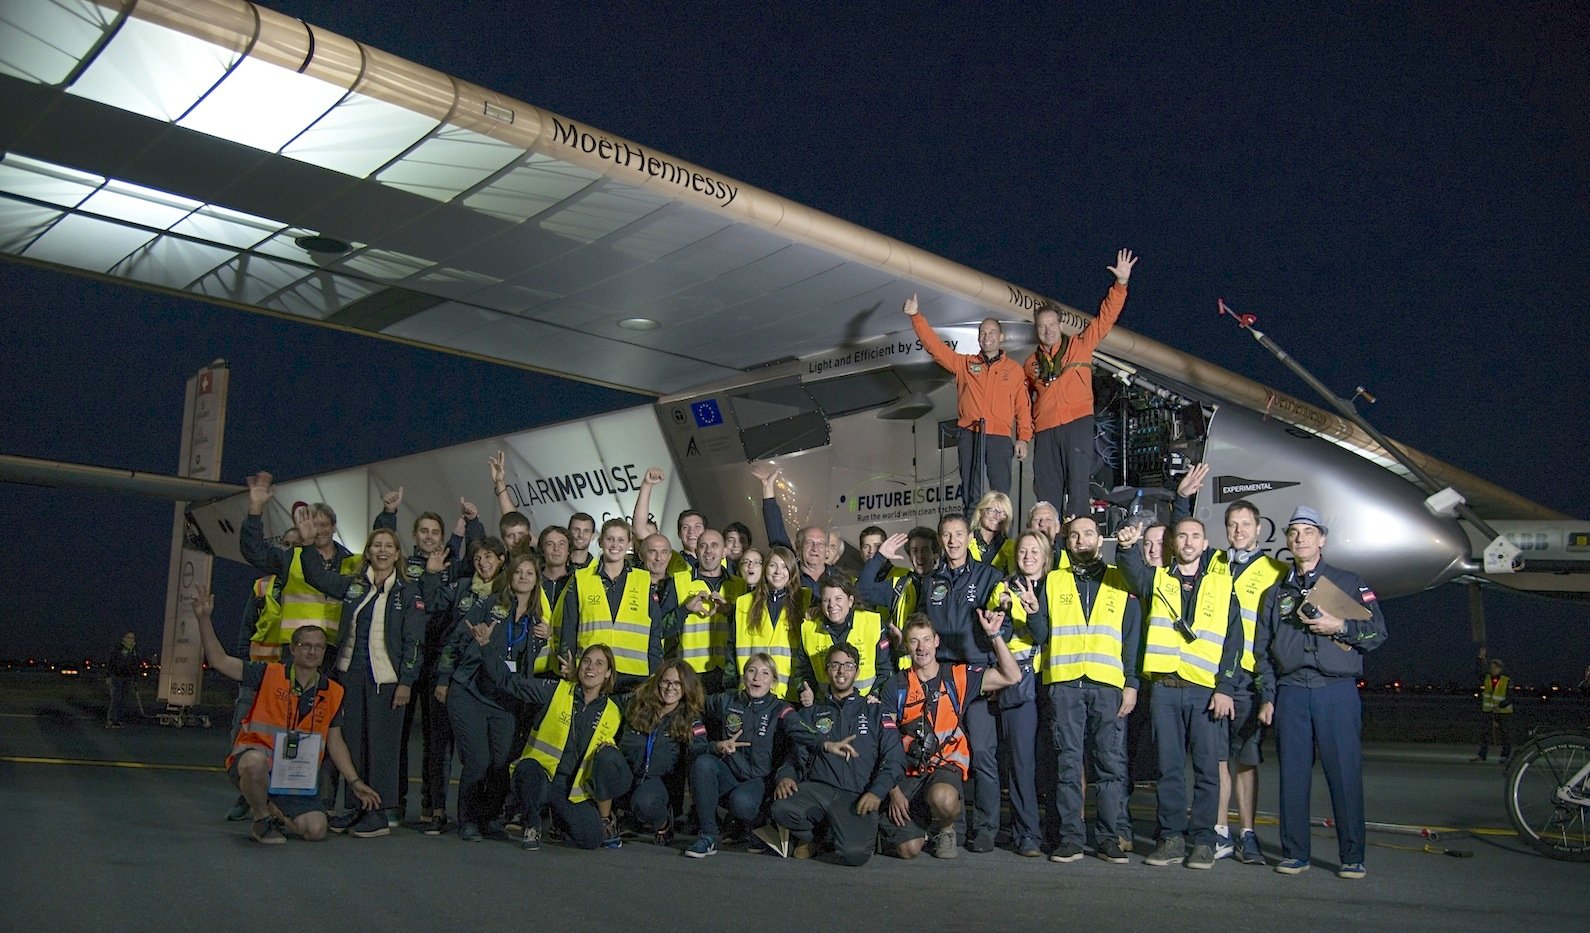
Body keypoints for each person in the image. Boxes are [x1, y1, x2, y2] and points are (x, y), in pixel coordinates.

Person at [1255, 506, 1388, 879]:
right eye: (1294, 532)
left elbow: (1377, 634)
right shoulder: (1276, 592)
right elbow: (1262, 649)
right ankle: (1296, 852)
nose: (1300, 538)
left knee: (1344, 774)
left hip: (1336, 691)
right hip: (1292, 691)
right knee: (1292, 777)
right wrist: (1268, 694)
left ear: (1322, 539)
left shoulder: (1348, 583)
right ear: (1287, 540)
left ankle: (1352, 855)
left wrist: (1339, 626)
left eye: (1308, 532)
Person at [1166, 464, 1289, 864]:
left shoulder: (1275, 571)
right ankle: (1218, 831)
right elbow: (1180, 540)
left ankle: (1248, 833)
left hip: (1250, 679)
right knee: (1214, 757)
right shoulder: (1213, 562)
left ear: (1258, 529)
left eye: (1245, 524)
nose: (1238, 531)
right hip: (1213, 676)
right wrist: (1181, 497)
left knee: (1246, 758)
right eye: (1232, 524)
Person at [863, 514, 1008, 852]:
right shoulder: (931, 581)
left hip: (972, 676)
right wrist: (881, 556)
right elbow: (875, 593)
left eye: (958, 534)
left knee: (983, 755)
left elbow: (1004, 609)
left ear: (968, 537)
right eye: (947, 535)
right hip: (934, 679)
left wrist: (1004, 613)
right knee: (929, 752)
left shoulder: (987, 575)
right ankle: (944, 825)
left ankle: (984, 830)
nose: (953, 541)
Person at [194, 587, 381, 845]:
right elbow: (219, 660)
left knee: (316, 830)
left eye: (319, 647)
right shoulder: (268, 674)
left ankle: (274, 810)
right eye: (305, 646)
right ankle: (261, 818)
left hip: (294, 776)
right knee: (254, 763)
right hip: (257, 763)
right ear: (292, 649)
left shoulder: (332, 692)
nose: (312, 652)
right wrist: (204, 619)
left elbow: (335, 742)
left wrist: (355, 781)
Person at [1117, 516, 1245, 870]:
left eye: (1196, 537)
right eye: (1182, 536)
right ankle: (1171, 838)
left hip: (1205, 691)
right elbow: (1131, 572)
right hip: (1165, 690)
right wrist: (1127, 546)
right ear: (1173, 543)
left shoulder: (1222, 584)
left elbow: (1234, 640)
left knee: (1206, 769)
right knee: (1168, 769)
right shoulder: (1157, 578)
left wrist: (1226, 688)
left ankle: (1203, 841)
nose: (1188, 542)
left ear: (1206, 544)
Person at [1017, 517, 1142, 864]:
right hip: (1066, 683)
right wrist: (1032, 613)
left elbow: (1131, 638)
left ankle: (1108, 837)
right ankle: (1071, 838)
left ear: (1099, 540)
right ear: (1067, 543)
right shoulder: (1053, 580)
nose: (1081, 539)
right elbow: (1042, 634)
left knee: (1110, 764)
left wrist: (1131, 683)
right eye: (1074, 535)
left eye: (1088, 533)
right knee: (1067, 764)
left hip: (1107, 684)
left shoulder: (1121, 578)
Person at [299, 525, 428, 838]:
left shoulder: (408, 592)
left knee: (382, 748)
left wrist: (407, 681)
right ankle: (357, 808)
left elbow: (414, 640)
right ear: (368, 552)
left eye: (388, 546)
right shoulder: (356, 586)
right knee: (352, 743)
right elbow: (317, 576)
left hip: (387, 681)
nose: (382, 551)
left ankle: (380, 815)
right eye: (376, 545)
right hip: (349, 675)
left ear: (397, 554)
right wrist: (306, 544)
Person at [879, 613, 1021, 859]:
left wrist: (995, 636)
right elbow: (886, 741)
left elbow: (1012, 676)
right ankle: (921, 829)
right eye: (914, 641)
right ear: (906, 646)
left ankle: (946, 828)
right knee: (907, 850)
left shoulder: (957, 676)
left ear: (936, 641)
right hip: (907, 771)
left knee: (943, 798)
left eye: (926, 639)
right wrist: (892, 789)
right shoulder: (896, 685)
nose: (921, 647)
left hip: (945, 767)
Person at [435, 550, 549, 841]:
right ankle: (468, 820)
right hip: (470, 690)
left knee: (501, 761)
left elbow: (534, 666)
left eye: (529, 573)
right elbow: (455, 642)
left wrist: (548, 640)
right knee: (477, 760)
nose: (523, 577)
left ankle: (489, 817)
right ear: (509, 577)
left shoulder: (537, 622)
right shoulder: (488, 605)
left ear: (536, 581)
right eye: (518, 572)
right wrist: (443, 680)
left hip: (505, 698)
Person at [480, 642, 629, 850]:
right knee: (528, 770)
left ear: (608, 674)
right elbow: (510, 682)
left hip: (571, 790)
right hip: (541, 775)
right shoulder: (556, 690)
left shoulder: (613, 712)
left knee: (592, 840)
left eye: (598, 664)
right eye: (586, 661)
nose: (590, 668)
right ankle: (532, 823)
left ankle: (560, 821)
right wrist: (486, 646)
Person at [768, 643, 905, 866]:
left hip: (857, 795)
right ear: (827, 670)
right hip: (819, 790)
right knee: (781, 808)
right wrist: (786, 775)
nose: (841, 671)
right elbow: (795, 754)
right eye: (835, 665)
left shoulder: (875, 711)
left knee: (854, 855)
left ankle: (842, 832)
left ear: (857, 672)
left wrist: (877, 793)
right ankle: (815, 837)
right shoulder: (811, 712)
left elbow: (895, 758)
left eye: (848, 665)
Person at [1025, 249, 1137, 520]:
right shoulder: (1030, 364)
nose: (1048, 331)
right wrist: (1023, 436)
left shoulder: (1080, 345)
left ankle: (1077, 543)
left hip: (1077, 423)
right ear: (1036, 329)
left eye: (1052, 325)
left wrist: (1120, 284)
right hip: (1045, 431)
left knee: (1077, 487)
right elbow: (1022, 402)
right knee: (1046, 490)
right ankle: (1047, 544)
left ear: (1060, 324)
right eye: (1042, 327)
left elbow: (1105, 318)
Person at [374, 490, 459, 832]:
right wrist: (388, 513)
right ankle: (394, 803)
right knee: (397, 736)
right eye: (423, 531)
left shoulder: (450, 568)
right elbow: (420, 604)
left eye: (435, 532)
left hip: (437, 665)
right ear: (414, 536)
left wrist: (471, 525)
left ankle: (433, 807)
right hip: (406, 664)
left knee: (437, 741)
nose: (429, 537)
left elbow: (439, 607)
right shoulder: (403, 566)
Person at [904, 294, 1032, 512]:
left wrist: (1023, 438)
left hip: (999, 437)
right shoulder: (965, 364)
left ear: (1001, 337)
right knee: (972, 495)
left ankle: (1001, 543)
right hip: (970, 434)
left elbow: (1023, 406)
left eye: (992, 332)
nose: (987, 337)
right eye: (982, 333)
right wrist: (916, 317)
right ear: (978, 338)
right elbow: (936, 348)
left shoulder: (1014, 370)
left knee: (1001, 496)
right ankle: (971, 540)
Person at [689, 653, 811, 857]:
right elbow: (693, 709)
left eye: (765, 673)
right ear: (743, 676)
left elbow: (799, 740)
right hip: (730, 775)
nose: (757, 678)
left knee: (742, 803)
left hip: (760, 781)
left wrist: (824, 745)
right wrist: (710, 744)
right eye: (751, 671)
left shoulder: (780, 709)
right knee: (703, 763)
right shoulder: (726, 700)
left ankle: (755, 821)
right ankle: (708, 835)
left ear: (773, 683)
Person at [239, 472, 358, 650]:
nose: (317, 531)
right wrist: (256, 507)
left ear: (334, 527)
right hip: (297, 650)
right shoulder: (290, 558)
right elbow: (254, 551)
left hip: (337, 651)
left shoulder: (354, 562)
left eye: (324, 525)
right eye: (312, 525)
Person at [990, 531, 1051, 857]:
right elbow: (1000, 635)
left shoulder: (1057, 586)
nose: (1028, 556)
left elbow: (1044, 634)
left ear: (1045, 555)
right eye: (1023, 551)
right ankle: (1027, 833)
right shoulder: (1003, 588)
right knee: (1021, 763)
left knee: (1054, 761)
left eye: (1035, 550)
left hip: (1053, 681)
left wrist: (1034, 610)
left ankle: (1056, 830)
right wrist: (1006, 609)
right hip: (1019, 681)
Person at [560, 519, 663, 689]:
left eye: (621, 540)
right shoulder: (581, 579)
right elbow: (568, 628)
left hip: (634, 676)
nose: (615, 544)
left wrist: (655, 670)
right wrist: (570, 666)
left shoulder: (643, 579)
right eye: (610, 539)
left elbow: (655, 630)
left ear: (629, 543)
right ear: (600, 542)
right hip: (591, 672)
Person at [617, 661, 707, 845]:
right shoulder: (636, 704)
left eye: (677, 684)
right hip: (629, 773)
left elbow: (700, 747)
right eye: (665, 682)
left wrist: (716, 747)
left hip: (658, 782)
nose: (670, 688)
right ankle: (616, 816)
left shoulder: (689, 717)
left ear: (685, 687)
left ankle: (664, 823)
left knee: (644, 802)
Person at [791, 574, 893, 698]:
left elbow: (886, 669)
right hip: (826, 708)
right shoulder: (809, 629)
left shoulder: (872, 623)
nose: (832, 605)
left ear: (850, 601)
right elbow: (801, 671)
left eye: (838, 599)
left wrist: (876, 694)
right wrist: (804, 690)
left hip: (865, 707)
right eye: (826, 600)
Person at [727, 547, 804, 696]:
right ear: (765, 568)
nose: (778, 572)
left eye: (784, 567)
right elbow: (731, 648)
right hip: (750, 691)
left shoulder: (805, 601)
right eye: (773, 565)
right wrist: (730, 688)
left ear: (792, 571)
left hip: (791, 693)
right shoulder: (744, 603)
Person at [675, 529, 744, 694]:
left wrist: (730, 613)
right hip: (691, 673)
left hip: (729, 673)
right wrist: (685, 609)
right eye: (703, 546)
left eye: (714, 545)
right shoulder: (678, 581)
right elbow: (661, 627)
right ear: (696, 551)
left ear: (724, 552)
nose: (708, 551)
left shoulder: (740, 585)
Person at [1474, 648, 1513, 763]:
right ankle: (1482, 756)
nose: (1493, 669)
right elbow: (1478, 672)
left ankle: (1505, 756)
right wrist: (1481, 658)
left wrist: (1501, 705)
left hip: (1504, 712)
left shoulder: (1506, 680)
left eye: (1495, 667)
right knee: (1485, 734)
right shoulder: (1486, 678)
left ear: (1500, 668)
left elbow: (1511, 697)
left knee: (1505, 734)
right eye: (1491, 667)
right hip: (1488, 711)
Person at [105, 632, 139, 729]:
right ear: (124, 638)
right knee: (116, 698)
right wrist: (108, 676)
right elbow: (111, 661)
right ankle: (111, 720)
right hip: (117, 676)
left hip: (128, 678)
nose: (131, 639)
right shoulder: (118, 649)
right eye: (129, 637)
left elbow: (136, 666)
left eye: (132, 638)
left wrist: (135, 679)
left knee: (124, 699)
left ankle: (118, 720)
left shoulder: (134, 651)